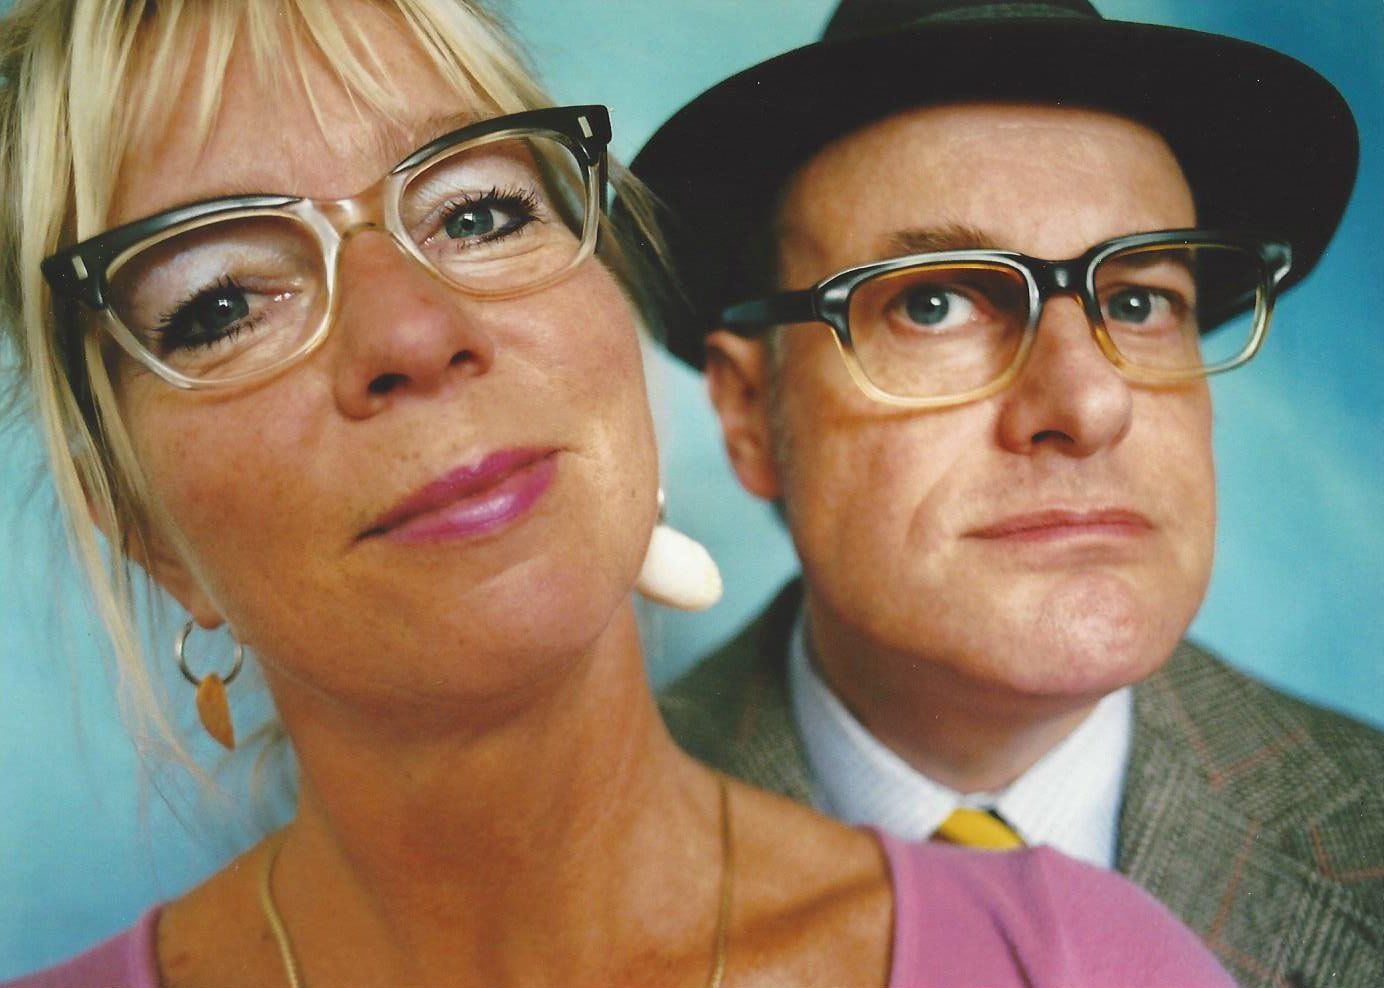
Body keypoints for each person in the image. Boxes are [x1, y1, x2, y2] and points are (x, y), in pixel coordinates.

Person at [0, 0, 1243, 986]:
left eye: (479, 211)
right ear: (148, 531)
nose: (414, 329)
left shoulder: (1081, 959)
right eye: (221, 302)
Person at [635, 1, 1384, 985]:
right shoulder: (548, 877)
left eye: (1137, 302)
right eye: (932, 302)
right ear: (748, 414)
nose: (1088, 404)